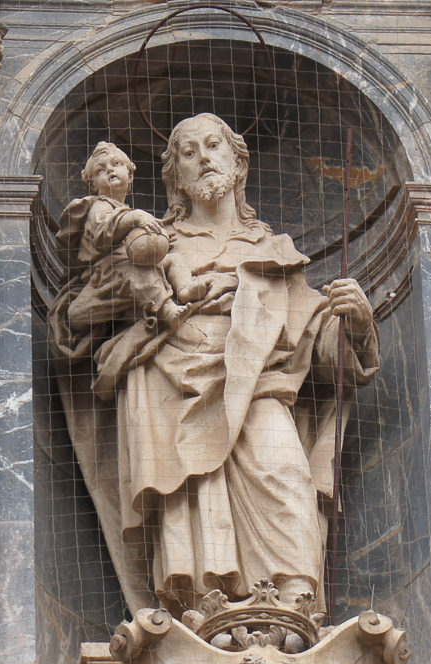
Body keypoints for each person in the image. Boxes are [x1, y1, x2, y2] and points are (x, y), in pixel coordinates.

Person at [50, 114, 379, 615]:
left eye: (213, 146)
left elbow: (316, 345)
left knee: (285, 474)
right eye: (188, 152)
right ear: (175, 178)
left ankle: (294, 609)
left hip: (259, 382)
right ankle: (203, 612)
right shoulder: (151, 239)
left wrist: (354, 322)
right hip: (169, 385)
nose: (203, 158)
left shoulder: (274, 250)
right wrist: (130, 294)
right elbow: (74, 320)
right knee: (190, 496)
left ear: (238, 163)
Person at [56, 141, 192, 336]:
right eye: (100, 170)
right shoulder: (99, 206)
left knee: (173, 260)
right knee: (136, 273)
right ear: (93, 184)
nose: (110, 170)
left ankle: (185, 289)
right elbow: (103, 234)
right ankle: (168, 310)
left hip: (127, 269)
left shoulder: (124, 211)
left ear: (130, 176)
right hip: (105, 274)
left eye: (117, 163)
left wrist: (155, 240)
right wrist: (136, 217)